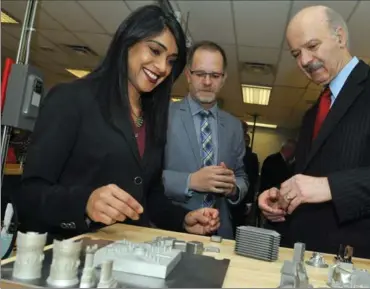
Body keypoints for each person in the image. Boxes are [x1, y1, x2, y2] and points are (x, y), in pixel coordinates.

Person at [16, 5, 220, 241]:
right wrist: (85, 203)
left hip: (127, 256)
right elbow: (29, 195)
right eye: (154, 51)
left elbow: (149, 196)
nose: (163, 67)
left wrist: (183, 219)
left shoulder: (153, 117)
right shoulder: (71, 99)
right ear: (127, 42)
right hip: (71, 259)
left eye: (171, 60)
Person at [258, 5, 370, 264]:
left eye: (312, 46)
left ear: (340, 37)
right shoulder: (311, 114)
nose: (305, 61)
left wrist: (331, 186)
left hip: (366, 265)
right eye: (297, 53)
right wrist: (283, 198)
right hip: (309, 261)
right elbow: (312, 182)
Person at [163, 40, 248, 239]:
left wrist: (233, 188)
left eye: (215, 75)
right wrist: (190, 181)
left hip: (219, 233)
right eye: (200, 74)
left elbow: (242, 176)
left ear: (223, 78)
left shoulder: (234, 126)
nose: (207, 82)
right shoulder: (164, 117)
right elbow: (146, 177)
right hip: (171, 229)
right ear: (188, 76)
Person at [231, 132, 259, 233]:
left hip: (237, 194)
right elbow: (253, 179)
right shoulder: (249, 156)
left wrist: (249, 200)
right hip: (234, 194)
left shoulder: (250, 156)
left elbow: (252, 179)